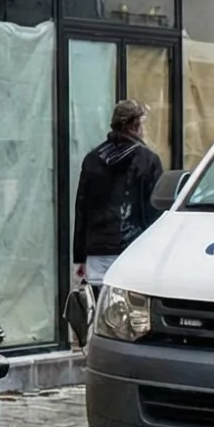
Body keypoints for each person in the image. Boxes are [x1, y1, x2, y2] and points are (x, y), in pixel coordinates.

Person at [73, 99, 163, 293]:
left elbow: (82, 209)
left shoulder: (93, 159)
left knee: (98, 305)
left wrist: (81, 256)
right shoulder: (148, 160)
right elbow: (155, 211)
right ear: (136, 126)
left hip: (97, 251)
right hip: (133, 248)